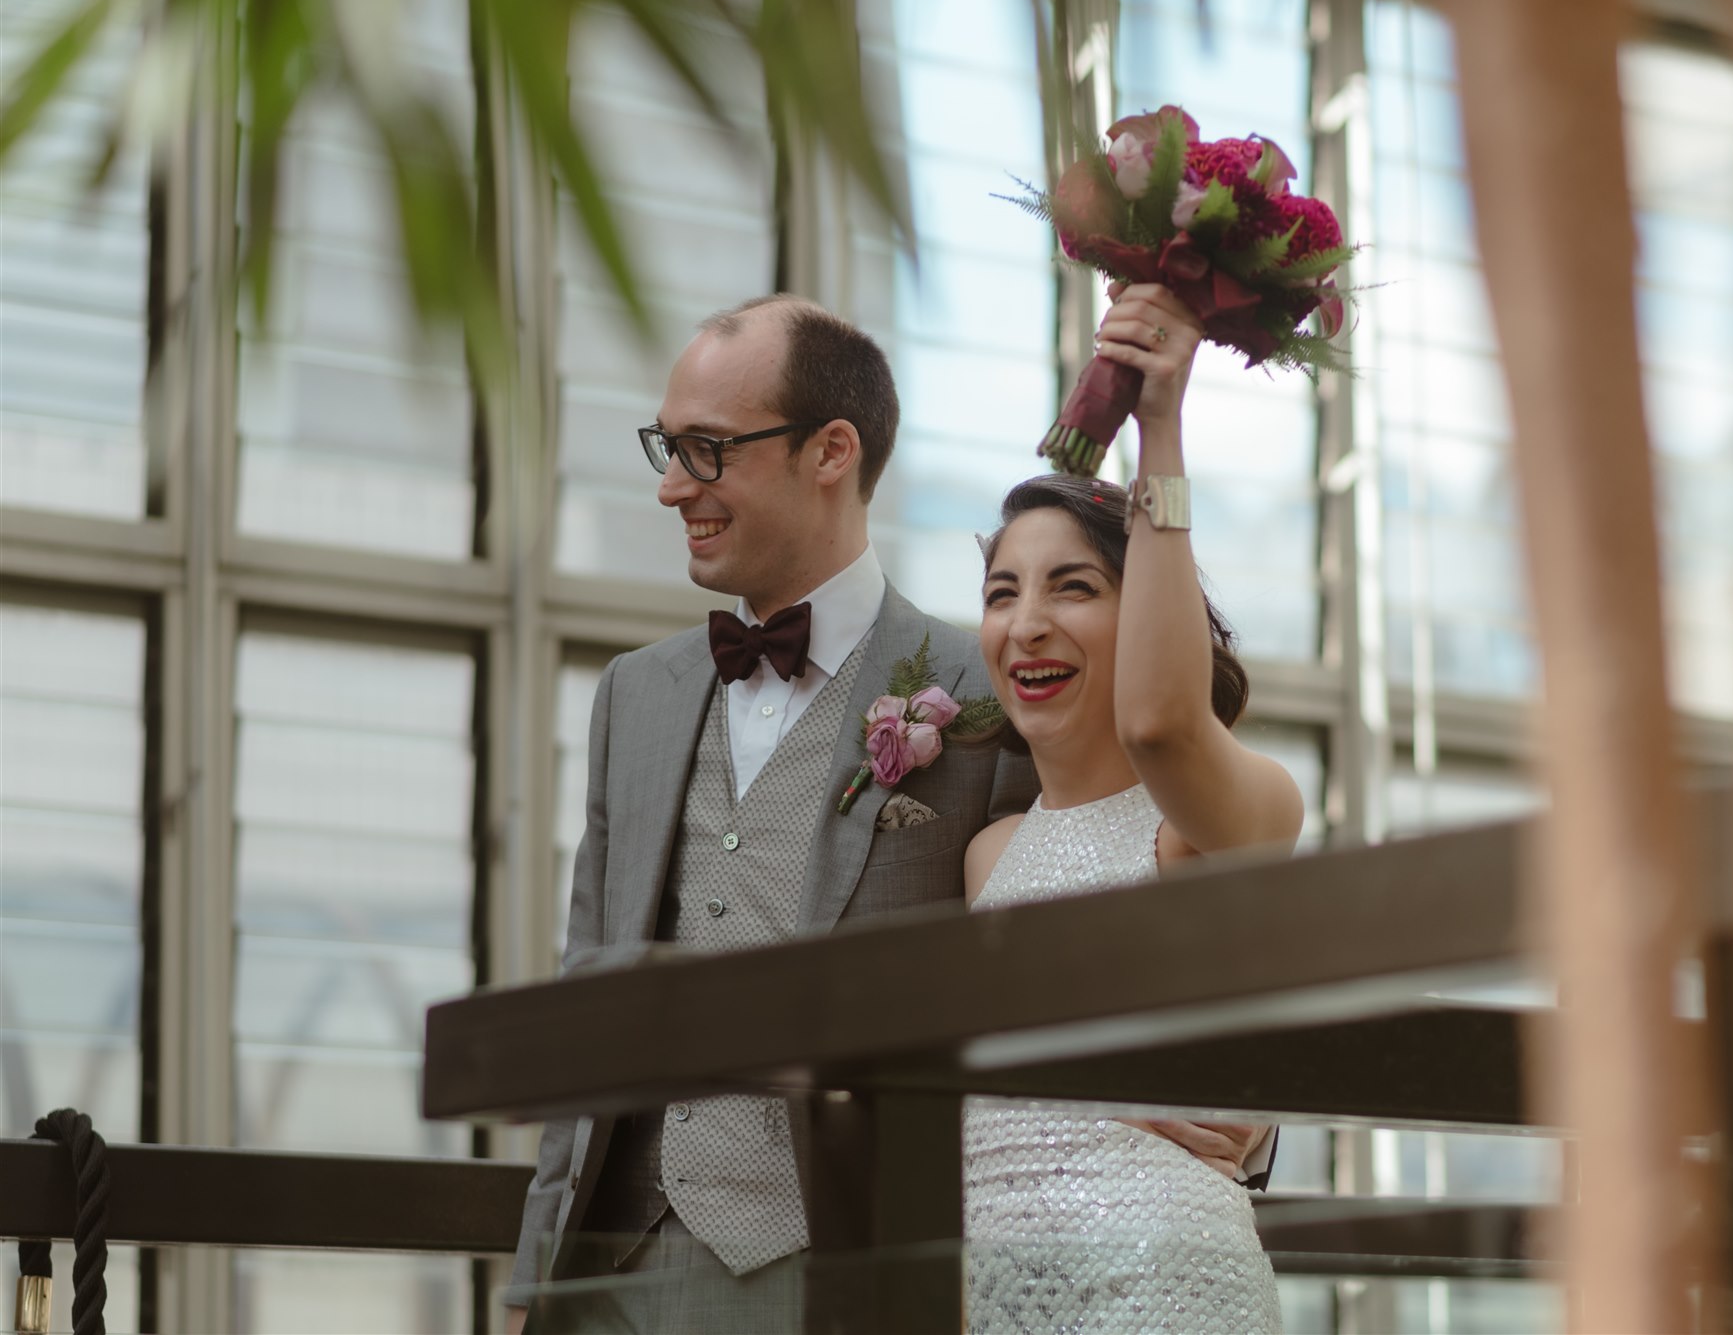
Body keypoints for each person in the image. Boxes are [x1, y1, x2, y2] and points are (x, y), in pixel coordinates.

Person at [506, 294, 1269, 1333]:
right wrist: (533, 1283)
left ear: (829, 450)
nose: (671, 483)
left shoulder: (991, 695)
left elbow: (1131, 900)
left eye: (705, 448)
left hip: (848, 1274)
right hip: (616, 1276)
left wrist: (1247, 1109)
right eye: (666, 445)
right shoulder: (634, 695)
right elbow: (584, 991)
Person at [962, 283, 1301, 1333]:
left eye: (1071, 587)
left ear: (1147, 608)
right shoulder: (988, 853)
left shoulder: (1217, 815)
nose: (1026, 626)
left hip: (1158, 1283)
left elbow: (1159, 721)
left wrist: (1160, 427)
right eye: (1002, 591)